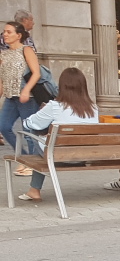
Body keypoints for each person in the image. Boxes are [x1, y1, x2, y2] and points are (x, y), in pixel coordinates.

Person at [15, 67, 97, 202]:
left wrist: (42, 113)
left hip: (58, 155)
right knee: (48, 137)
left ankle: (34, 190)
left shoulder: (54, 106)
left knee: (37, 132)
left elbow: (29, 124)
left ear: (62, 87)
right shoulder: (93, 108)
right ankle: (33, 190)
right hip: (84, 155)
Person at [1, 21, 42, 177]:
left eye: (9, 32)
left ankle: (31, 164)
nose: (5, 34)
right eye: (4, 32)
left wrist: (26, 90)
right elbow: (2, 79)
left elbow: (36, 73)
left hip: (27, 98)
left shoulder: (27, 50)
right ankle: (25, 158)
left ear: (18, 35)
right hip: (10, 97)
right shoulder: (3, 54)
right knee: (3, 126)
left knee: (29, 131)